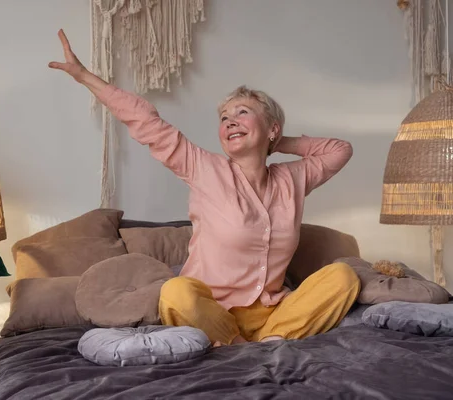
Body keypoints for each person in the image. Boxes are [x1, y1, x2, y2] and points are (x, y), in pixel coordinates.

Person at [49, 29, 361, 347]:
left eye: (242, 112)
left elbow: (340, 150)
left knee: (344, 277)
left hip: (275, 313)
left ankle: (262, 342)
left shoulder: (292, 179)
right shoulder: (205, 169)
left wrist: (278, 141)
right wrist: (85, 76)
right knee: (175, 292)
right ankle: (247, 345)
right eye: (224, 118)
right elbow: (146, 122)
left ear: (272, 128)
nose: (230, 121)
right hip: (210, 312)